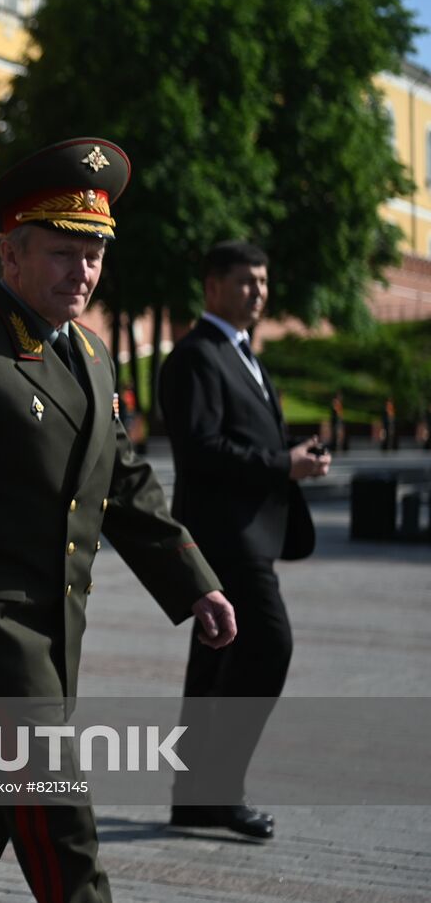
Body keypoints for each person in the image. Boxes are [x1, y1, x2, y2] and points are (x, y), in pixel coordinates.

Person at [0, 138, 236, 903]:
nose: (85, 273)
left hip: (56, 630)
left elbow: (124, 484)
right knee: (62, 824)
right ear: (11, 254)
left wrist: (194, 582)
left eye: (95, 256)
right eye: (66, 254)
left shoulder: (93, 358)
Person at [159, 241, 328, 839]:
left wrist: (292, 461)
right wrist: (282, 464)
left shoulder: (245, 356)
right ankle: (219, 790)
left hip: (249, 533)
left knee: (214, 667)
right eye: (244, 282)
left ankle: (193, 798)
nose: (257, 291)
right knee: (267, 647)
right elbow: (200, 450)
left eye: (263, 281)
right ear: (211, 287)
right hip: (222, 541)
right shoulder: (195, 357)